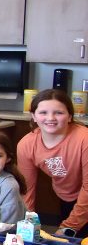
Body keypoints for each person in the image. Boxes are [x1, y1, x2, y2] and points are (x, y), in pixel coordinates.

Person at [17, 89, 88, 236]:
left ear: (69, 116)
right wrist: (28, 224)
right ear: (33, 116)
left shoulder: (84, 139)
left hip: (84, 195)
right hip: (67, 197)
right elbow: (26, 189)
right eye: (43, 113)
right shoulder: (26, 144)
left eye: (59, 113)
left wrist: (69, 227)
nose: (51, 118)